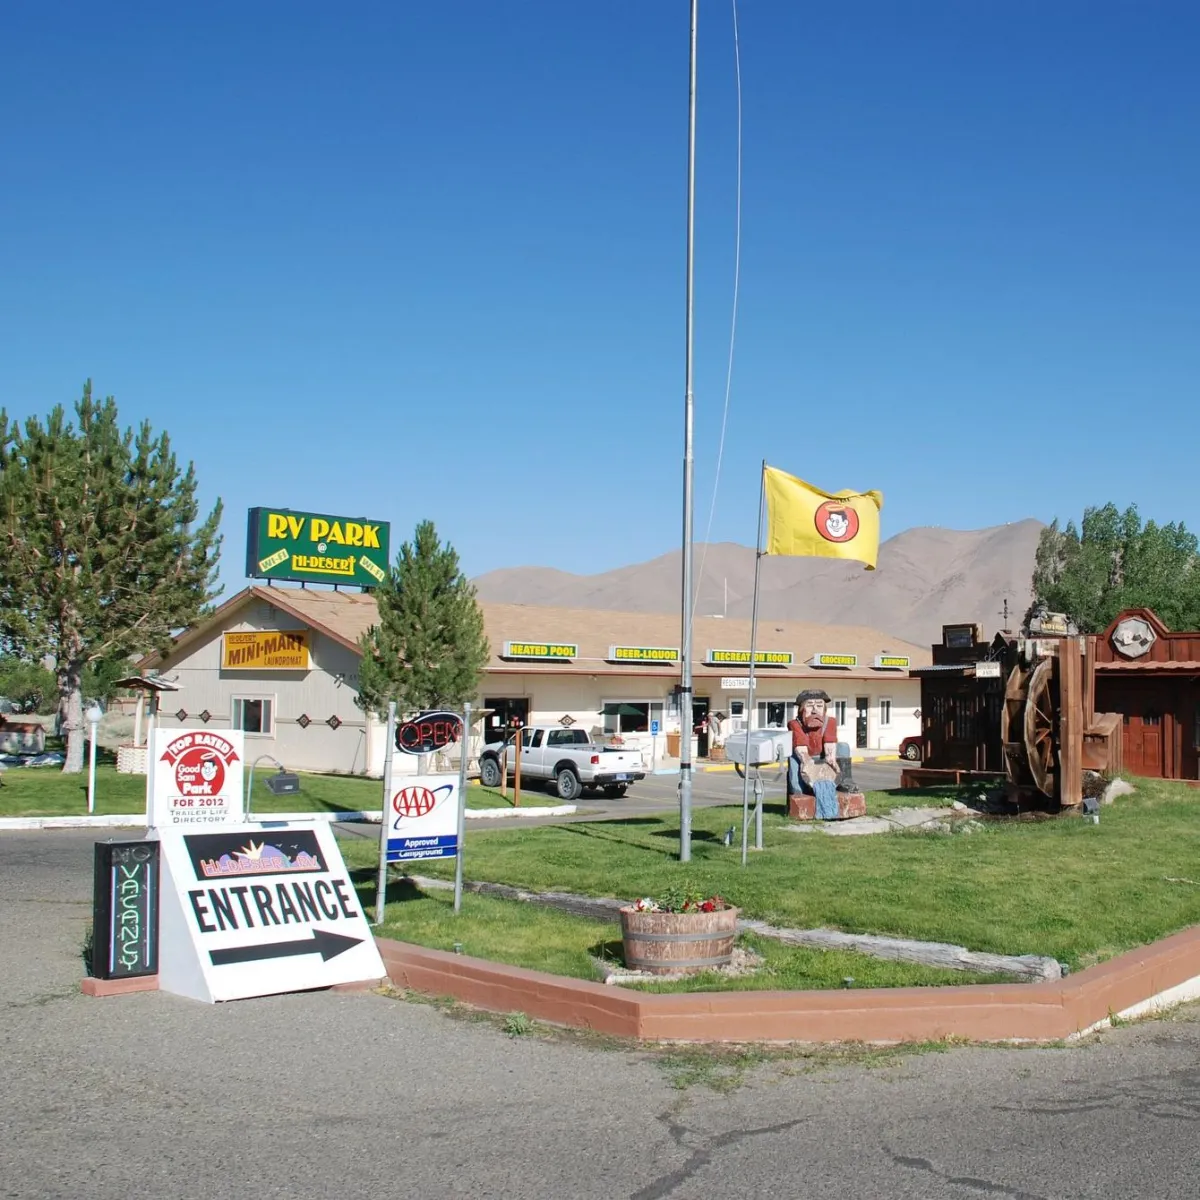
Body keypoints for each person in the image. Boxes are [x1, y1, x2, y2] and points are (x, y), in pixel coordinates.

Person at [787, 690, 854, 818]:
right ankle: (797, 788)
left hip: (823, 756)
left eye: (819, 705)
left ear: (824, 709)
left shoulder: (830, 722)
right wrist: (807, 765)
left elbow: (830, 743)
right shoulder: (795, 724)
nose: (814, 710)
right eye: (809, 705)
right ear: (801, 710)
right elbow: (800, 746)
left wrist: (831, 760)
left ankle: (846, 781)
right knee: (793, 758)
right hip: (805, 758)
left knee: (843, 747)